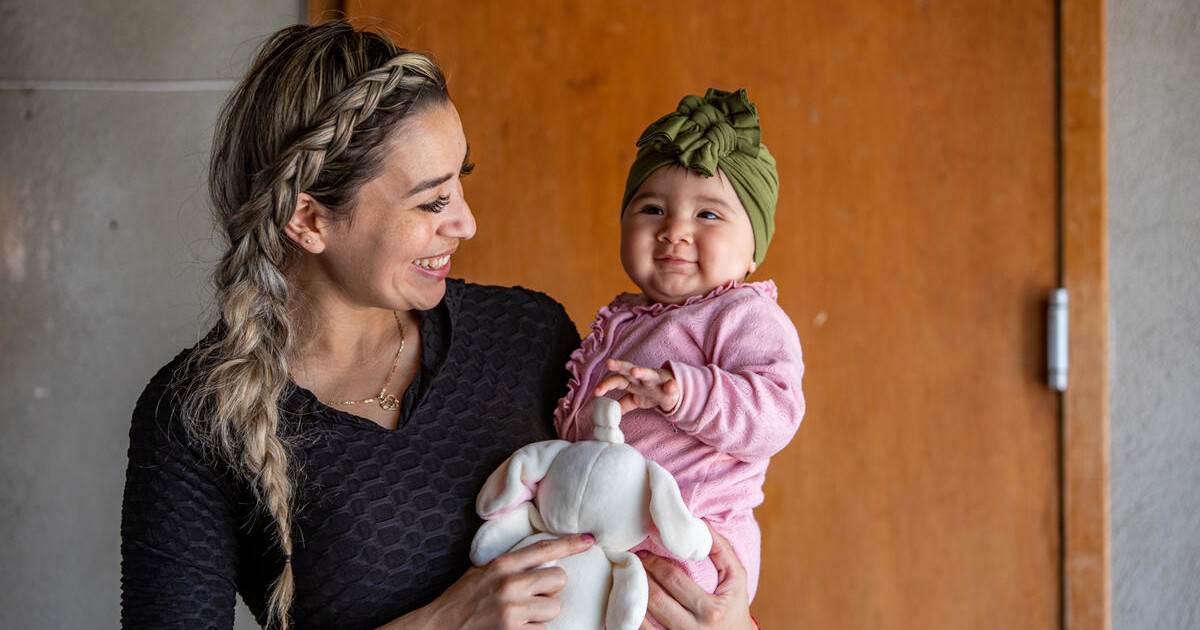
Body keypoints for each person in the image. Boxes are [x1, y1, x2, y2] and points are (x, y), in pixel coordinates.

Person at [120, 20, 758, 630]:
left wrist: (729, 616)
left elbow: (678, 503)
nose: (466, 223)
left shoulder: (528, 335)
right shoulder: (195, 417)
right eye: (431, 200)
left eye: (461, 182)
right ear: (308, 219)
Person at [554, 88, 805, 608]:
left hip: (691, 547)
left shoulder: (744, 315)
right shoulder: (626, 319)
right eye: (651, 208)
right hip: (614, 538)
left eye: (708, 215)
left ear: (754, 249)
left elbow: (777, 411)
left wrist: (682, 392)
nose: (674, 231)